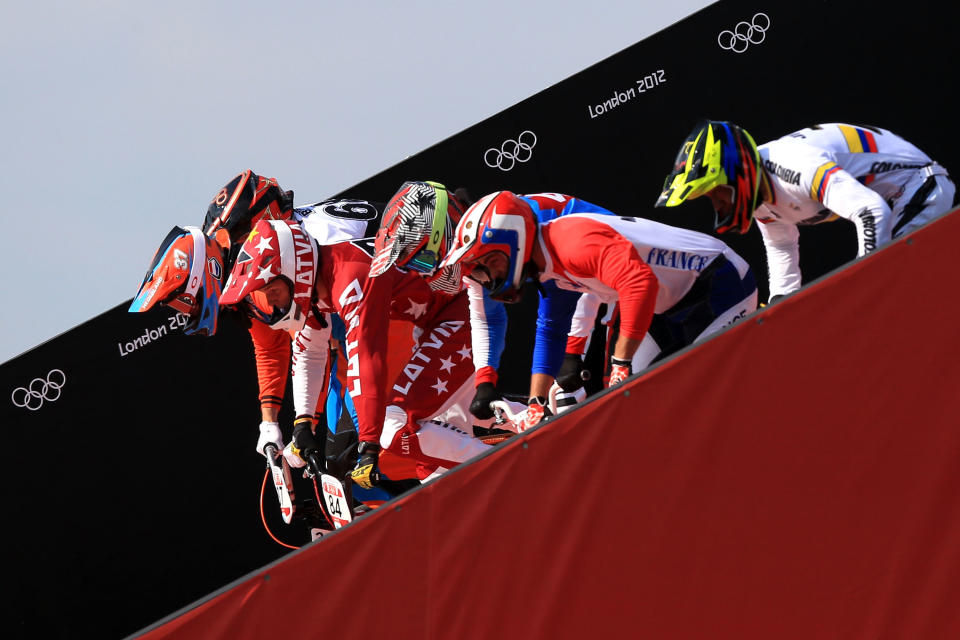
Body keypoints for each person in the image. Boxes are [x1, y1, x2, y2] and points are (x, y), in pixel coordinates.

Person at [219, 213, 504, 490]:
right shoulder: (315, 283)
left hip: (460, 314)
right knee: (439, 457)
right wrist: (303, 423)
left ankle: (509, 463)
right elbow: (309, 354)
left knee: (393, 426)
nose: (272, 304)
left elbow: (365, 358)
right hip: (438, 320)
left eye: (272, 291)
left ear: (294, 269)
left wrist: (369, 443)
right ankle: (528, 419)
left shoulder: (349, 279)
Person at [437, 191, 759, 429]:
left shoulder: (570, 244)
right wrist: (536, 403)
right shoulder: (545, 262)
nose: (489, 277)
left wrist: (621, 362)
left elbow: (638, 284)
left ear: (515, 241)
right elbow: (551, 326)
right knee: (639, 405)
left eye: (490, 262)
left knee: (682, 399)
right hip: (668, 303)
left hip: (719, 283)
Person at [368, 181, 612, 418]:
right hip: (591, 291)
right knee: (560, 399)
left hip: (609, 278)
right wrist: (485, 381)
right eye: (413, 268)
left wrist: (544, 390)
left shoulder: (503, 229)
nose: (423, 275)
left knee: (569, 397)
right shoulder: (474, 250)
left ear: (443, 236)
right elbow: (487, 320)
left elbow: (560, 307)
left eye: (421, 262)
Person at [655, 120, 956, 302]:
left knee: (897, 293)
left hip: (917, 187)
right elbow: (782, 246)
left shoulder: (793, 166)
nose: (718, 206)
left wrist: (866, 283)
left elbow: (871, 211)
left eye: (716, 193)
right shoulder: (759, 193)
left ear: (737, 173)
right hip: (894, 204)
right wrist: (780, 307)